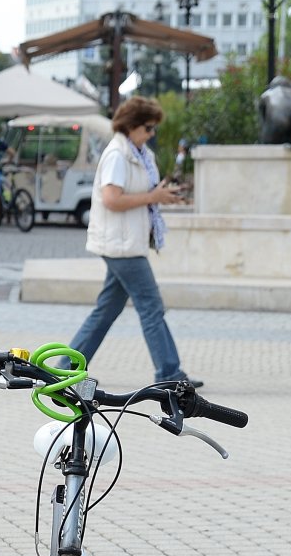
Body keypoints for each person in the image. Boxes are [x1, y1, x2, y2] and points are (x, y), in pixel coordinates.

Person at [64, 96, 196, 387]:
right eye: (148, 128)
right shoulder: (117, 155)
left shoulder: (137, 152)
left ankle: (66, 367)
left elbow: (141, 193)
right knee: (151, 306)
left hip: (127, 242)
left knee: (107, 309)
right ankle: (169, 374)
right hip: (121, 246)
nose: (152, 134)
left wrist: (161, 195)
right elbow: (112, 199)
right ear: (132, 125)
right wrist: (153, 197)